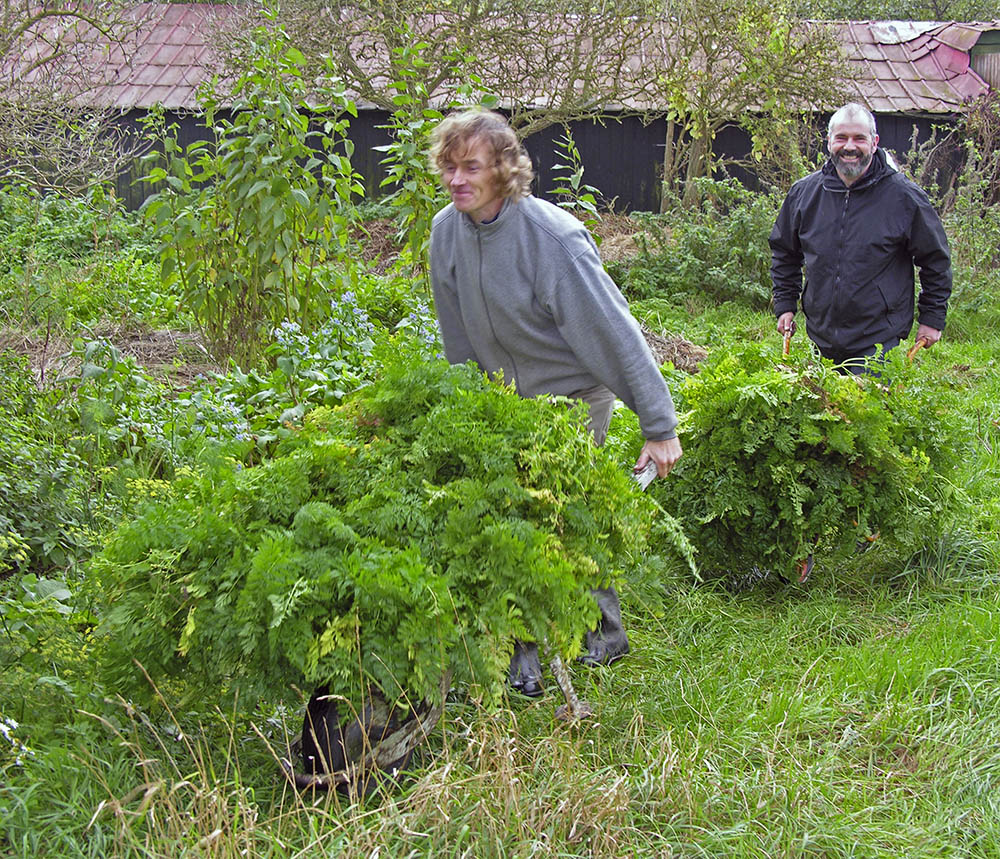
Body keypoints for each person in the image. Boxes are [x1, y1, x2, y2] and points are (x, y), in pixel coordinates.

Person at [428, 107, 682, 697]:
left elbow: (613, 333)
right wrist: (469, 407)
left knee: (562, 515)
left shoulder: (551, 239)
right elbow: (456, 333)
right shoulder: (446, 232)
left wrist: (658, 424)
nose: (457, 179)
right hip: (502, 398)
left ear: (504, 170)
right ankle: (520, 651)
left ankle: (601, 633)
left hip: (572, 394)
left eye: (471, 167)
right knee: (502, 516)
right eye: (449, 167)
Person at [770, 102, 952, 374]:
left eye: (859, 138)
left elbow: (935, 260)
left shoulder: (904, 198)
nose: (849, 147)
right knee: (822, 401)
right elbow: (785, 252)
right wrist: (785, 305)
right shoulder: (804, 194)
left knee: (864, 402)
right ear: (829, 141)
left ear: (874, 142)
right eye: (841, 138)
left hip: (878, 340)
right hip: (820, 337)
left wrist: (932, 318)